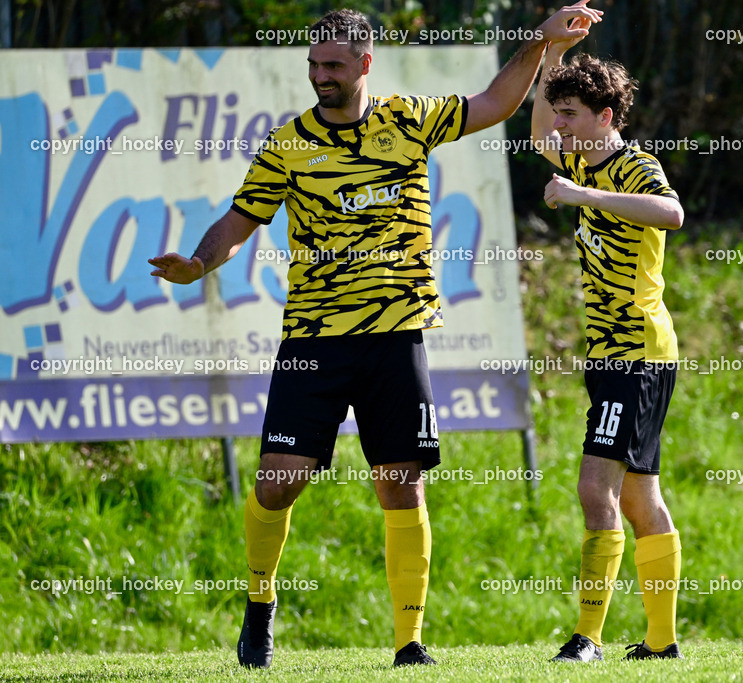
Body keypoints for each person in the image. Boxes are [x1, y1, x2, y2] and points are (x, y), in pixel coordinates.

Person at [149, 2, 602, 668]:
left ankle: (408, 642)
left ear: (365, 63)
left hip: (396, 334)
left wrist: (540, 40)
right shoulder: (288, 143)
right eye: (312, 64)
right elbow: (240, 220)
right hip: (314, 339)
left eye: (332, 65)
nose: (320, 76)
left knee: (401, 480)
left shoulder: (408, 119)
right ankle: (259, 604)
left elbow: (497, 103)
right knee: (278, 481)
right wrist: (198, 262)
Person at [530, 32, 685, 662]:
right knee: (638, 496)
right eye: (560, 111)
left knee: (596, 488)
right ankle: (661, 641)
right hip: (610, 354)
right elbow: (539, 129)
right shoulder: (576, 160)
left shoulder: (631, 167)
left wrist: (587, 197)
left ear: (607, 118)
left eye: (572, 114)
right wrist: (551, 54)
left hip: (638, 351)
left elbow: (671, 215)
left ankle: (587, 638)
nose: (560, 125)